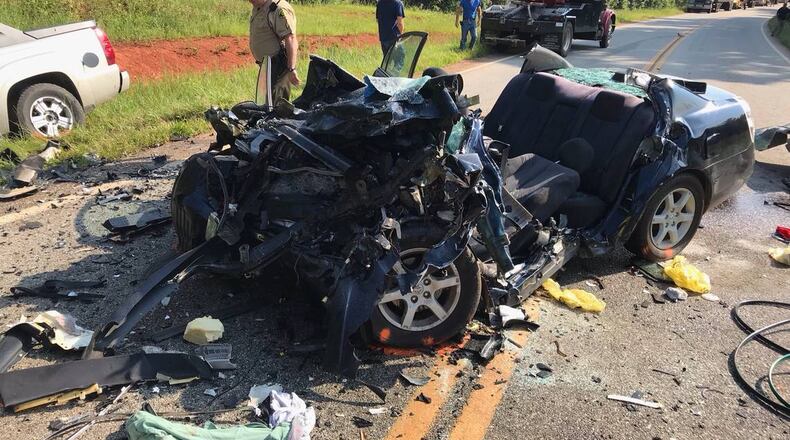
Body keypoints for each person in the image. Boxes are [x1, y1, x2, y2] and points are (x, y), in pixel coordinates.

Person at [249, 0, 300, 107]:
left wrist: (291, 68)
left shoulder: (278, 9)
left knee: (277, 105)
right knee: (266, 103)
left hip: (278, 65)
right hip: (266, 65)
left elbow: (290, 38)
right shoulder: (258, 6)